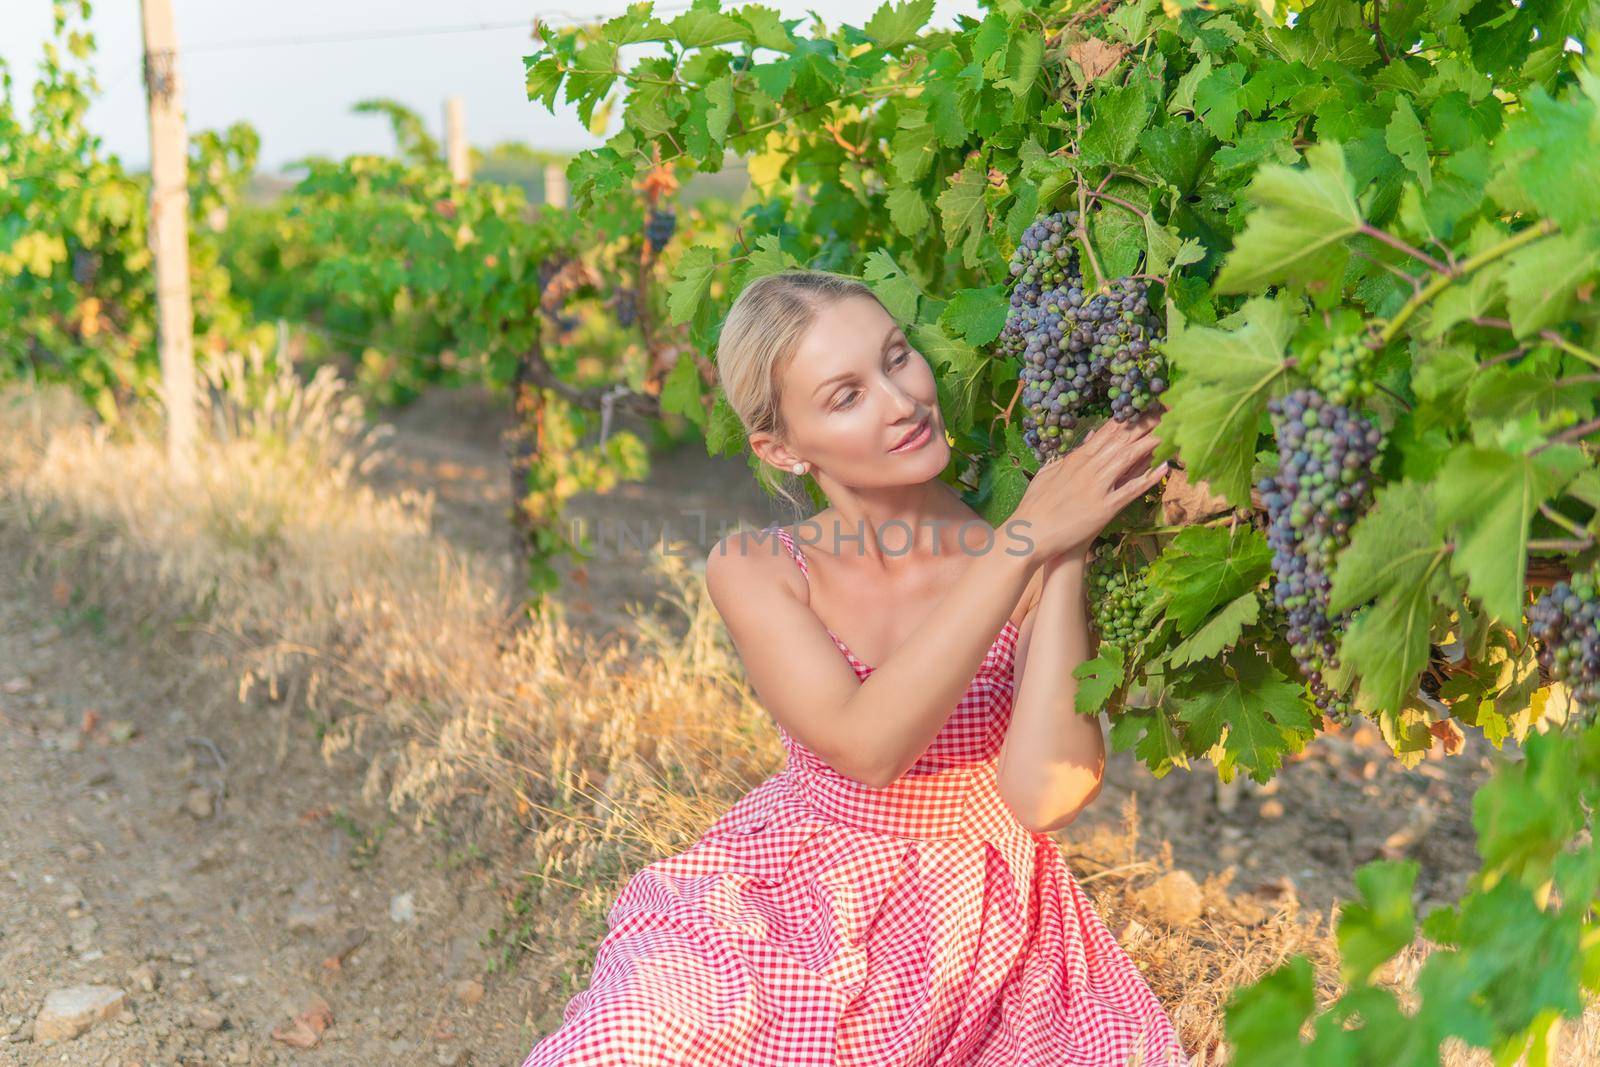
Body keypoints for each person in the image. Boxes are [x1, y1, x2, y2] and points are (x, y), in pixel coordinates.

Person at [520, 269, 1189, 1066]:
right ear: (781, 449)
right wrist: (1025, 542)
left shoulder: (1034, 556)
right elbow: (866, 747)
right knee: (621, 1040)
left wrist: (1067, 544)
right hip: (791, 903)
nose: (903, 400)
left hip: (978, 936)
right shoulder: (762, 567)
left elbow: (1046, 797)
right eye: (846, 396)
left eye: (897, 357)